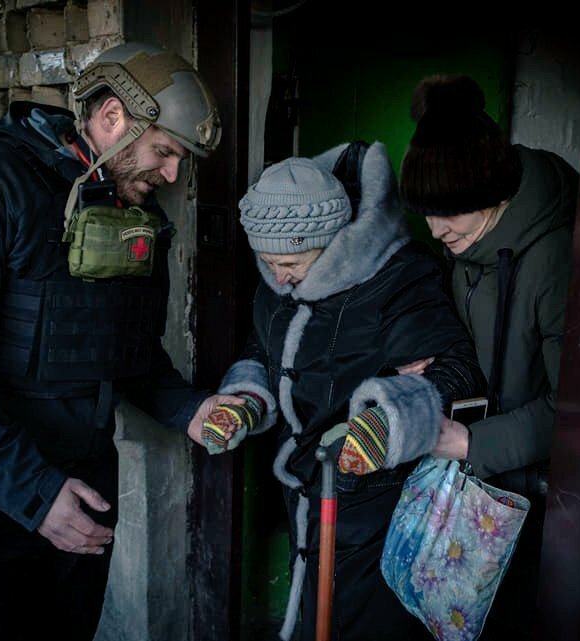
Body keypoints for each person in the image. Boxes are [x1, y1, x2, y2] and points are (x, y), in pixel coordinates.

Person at [0, 42, 237, 641]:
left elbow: (131, 351)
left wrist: (190, 409)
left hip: (76, 495)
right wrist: (35, 493)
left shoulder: (131, 216)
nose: (173, 175)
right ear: (114, 117)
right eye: (165, 152)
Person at [192, 143, 485, 641]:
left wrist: (386, 423)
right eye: (267, 262)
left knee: (364, 625)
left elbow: (457, 369)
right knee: (316, 615)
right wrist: (244, 402)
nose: (279, 277)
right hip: (309, 485)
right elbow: (264, 352)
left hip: (379, 499)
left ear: (332, 243)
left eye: (292, 263)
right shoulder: (278, 276)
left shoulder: (397, 278)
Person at [400, 74, 578, 640]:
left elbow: (576, 408)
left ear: (496, 194)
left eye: (447, 213)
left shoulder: (556, 260)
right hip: (480, 483)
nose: (434, 229)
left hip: (538, 498)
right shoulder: (467, 238)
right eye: (426, 212)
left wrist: (472, 443)